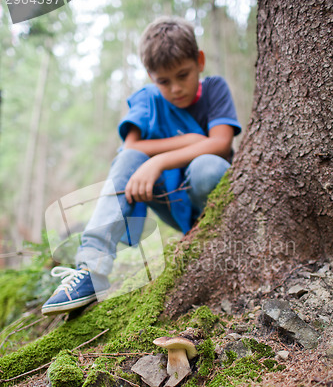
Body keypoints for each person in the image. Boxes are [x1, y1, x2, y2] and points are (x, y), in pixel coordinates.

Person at [42, 16, 241, 315]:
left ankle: (221, 242)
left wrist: (159, 160)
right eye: (164, 81)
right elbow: (131, 149)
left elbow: (221, 143)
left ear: (199, 61)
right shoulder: (148, 100)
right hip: (170, 199)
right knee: (130, 161)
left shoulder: (214, 89)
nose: (175, 88)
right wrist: (185, 142)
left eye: (183, 75)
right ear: (150, 76)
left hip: (213, 197)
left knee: (206, 166)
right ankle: (92, 268)